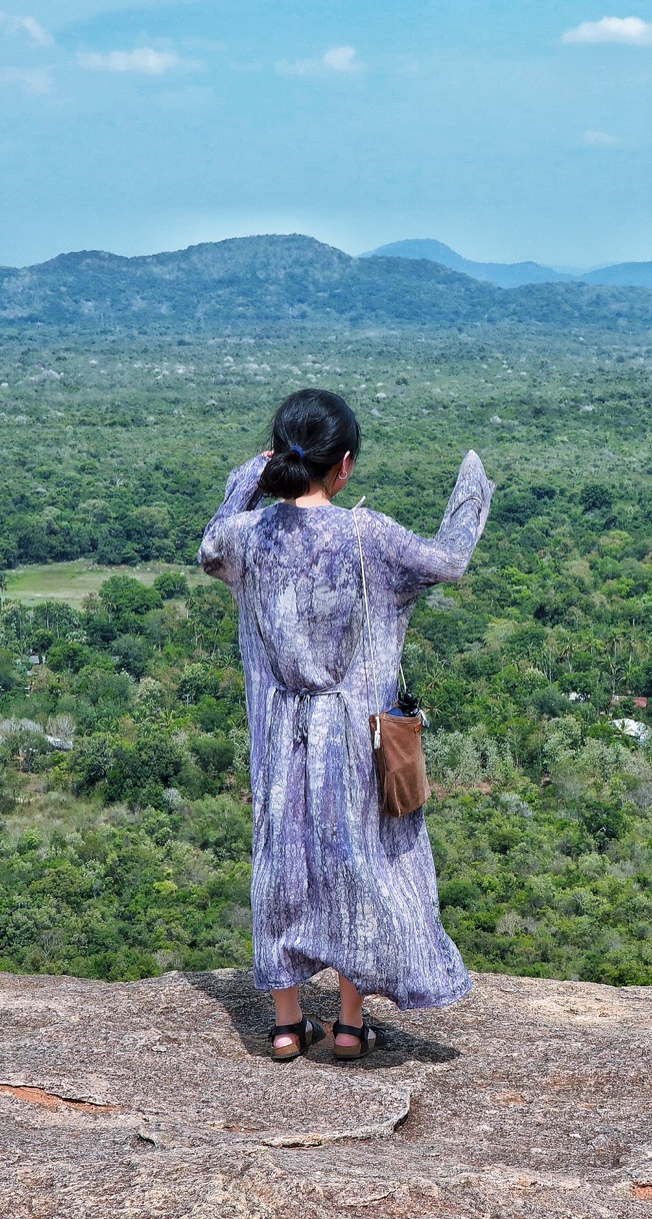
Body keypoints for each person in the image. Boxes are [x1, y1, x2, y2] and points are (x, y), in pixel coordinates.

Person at [199, 388, 493, 1062]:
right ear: (346, 465)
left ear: (282, 457)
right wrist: (472, 492)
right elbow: (449, 560)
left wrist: (249, 474)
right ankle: (353, 1023)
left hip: (280, 732)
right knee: (357, 860)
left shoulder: (247, 538)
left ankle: (284, 1023)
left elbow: (210, 545)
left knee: (281, 861)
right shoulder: (372, 536)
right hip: (360, 737)